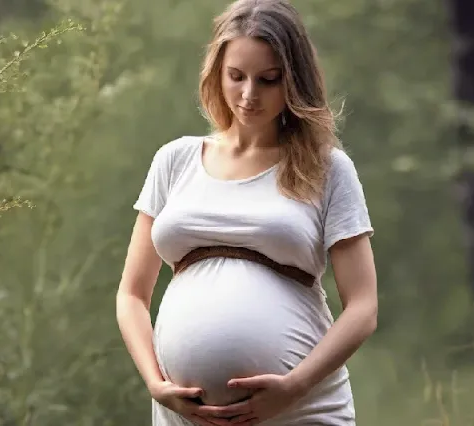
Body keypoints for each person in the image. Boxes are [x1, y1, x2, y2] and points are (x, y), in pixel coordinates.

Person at [115, 0, 378, 425]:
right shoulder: (175, 160)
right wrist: (155, 384)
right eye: (236, 77)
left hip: (298, 409)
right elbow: (131, 295)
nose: (249, 95)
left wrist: (294, 386)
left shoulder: (327, 168)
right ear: (216, 73)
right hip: (187, 416)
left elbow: (363, 308)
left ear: (293, 80)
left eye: (268, 80)